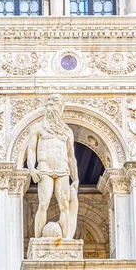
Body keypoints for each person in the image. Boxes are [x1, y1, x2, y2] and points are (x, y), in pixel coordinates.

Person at [27, 94, 79, 239]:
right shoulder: (38, 128)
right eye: (49, 105)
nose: (52, 108)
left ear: (60, 108)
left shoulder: (67, 131)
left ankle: (67, 239)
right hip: (45, 168)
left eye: (55, 105)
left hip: (63, 170)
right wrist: (31, 168)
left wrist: (76, 178)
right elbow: (31, 149)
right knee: (43, 204)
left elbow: (70, 156)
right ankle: (37, 241)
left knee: (65, 206)